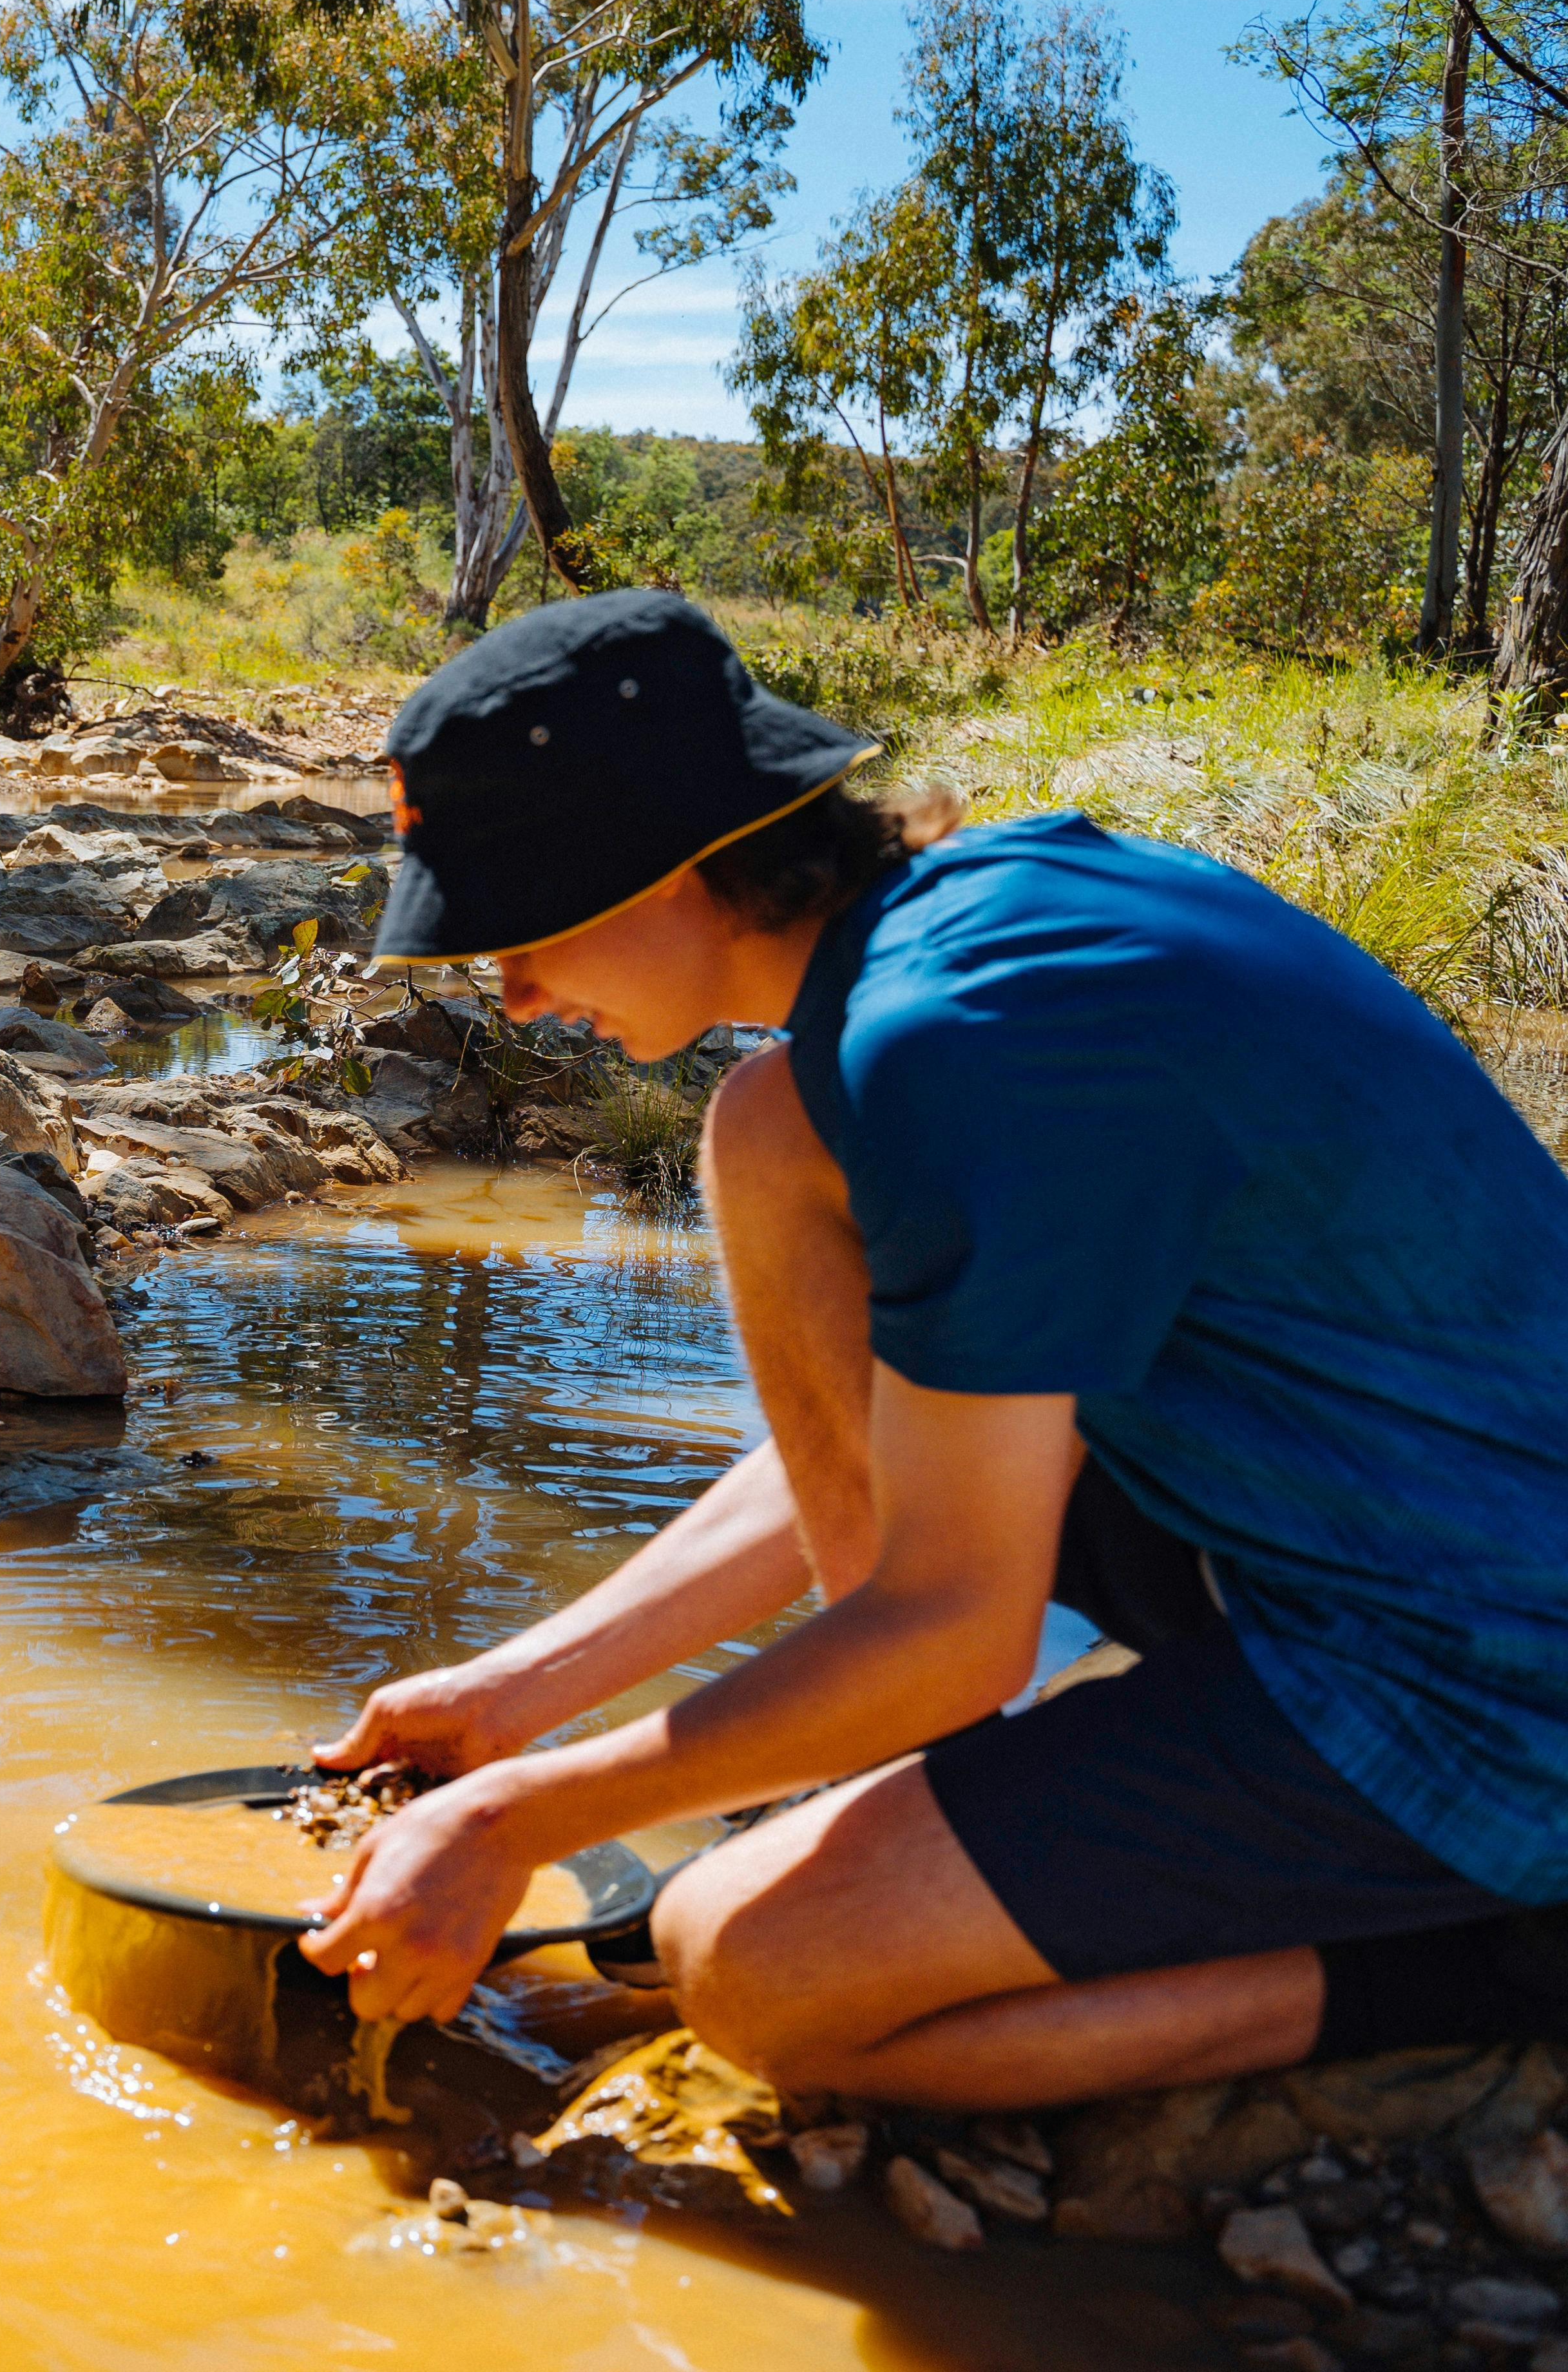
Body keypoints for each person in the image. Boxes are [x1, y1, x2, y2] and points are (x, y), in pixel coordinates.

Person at [293, 588, 1568, 2111]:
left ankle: (1487, 1964)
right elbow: (930, 1428)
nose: (506, 987)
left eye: (522, 922)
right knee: (766, 1137)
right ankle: (922, 1796)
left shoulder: (960, 1042)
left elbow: (960, 1619)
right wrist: (518, 1695)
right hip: (1361, 1535)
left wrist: (513, 1821)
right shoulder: (951, 941)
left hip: (1487, 1673)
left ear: (683, 867)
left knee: (751, 1968)